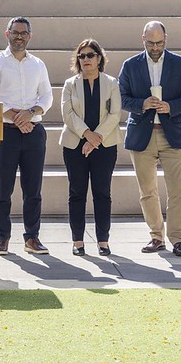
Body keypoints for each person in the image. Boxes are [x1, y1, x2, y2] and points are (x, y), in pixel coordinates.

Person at [118, 21, 181, 257]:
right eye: (151, 43)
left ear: (166, 39)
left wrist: (170, 106)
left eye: (159, 42)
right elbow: (120, 97)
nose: (155, 47)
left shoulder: (180, 64)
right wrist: (142, 104)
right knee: (147, 191)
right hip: (142, 134)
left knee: (177, 191)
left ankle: (178, 239)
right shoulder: (130, 65)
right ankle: (156, 236)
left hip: (171, 133)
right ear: (143, 38)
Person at [0, 16, 53, 256]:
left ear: (30, 36)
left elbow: (46, 97)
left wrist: (30, 113)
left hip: (34, 132)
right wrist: (17, 118)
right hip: (5, 133)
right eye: (15, 32)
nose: (19, 37)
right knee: (3, 189)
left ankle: (32, 238)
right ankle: (2, 238)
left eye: (23, 33)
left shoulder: (38, 64)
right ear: (7, 34)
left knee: (33, 189)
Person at [59, 39, 122, 257]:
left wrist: (95, 139)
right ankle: (78, 241)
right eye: (82, 56)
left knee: (102, 193)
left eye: (90, 55)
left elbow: (115, 114)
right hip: (75, 145)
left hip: (104, 146)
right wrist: (87, 135)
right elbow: (67, 114)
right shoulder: (70, 84)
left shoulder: (112, 82)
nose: (86, 59)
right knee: (77, 193)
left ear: (99, 58)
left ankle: (103, 241)